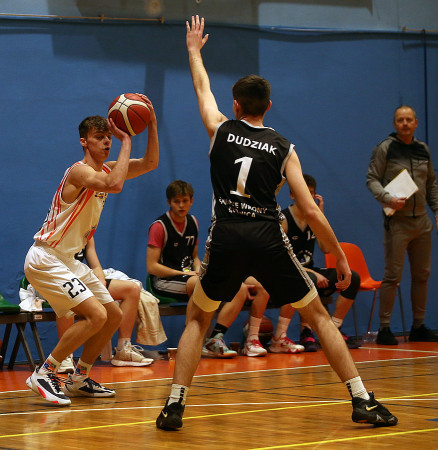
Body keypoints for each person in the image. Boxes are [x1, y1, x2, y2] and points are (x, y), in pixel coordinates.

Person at [156, 16, 397, 430]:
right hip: (267, 235)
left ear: (235, 105)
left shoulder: (219, 129)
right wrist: (338, 255)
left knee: (197, 317)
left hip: (226, 233)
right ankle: (361, 399)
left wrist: (194, 50)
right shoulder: (284, 148)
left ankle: (174, 406)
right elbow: (311, 210)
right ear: (268, 106)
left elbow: (201, 87)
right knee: (317, 315)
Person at [24, 99, 159, 406]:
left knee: (112, 315)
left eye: (109, 137)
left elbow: (150, 163)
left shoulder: (108, 169)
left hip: (69, 260)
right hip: (46, 257)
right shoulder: (79, 172)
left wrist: (151, 124)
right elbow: (114, 184)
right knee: (96, 314)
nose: (107, 142)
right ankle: (45, 373)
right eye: (100, 137)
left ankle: (79, 377)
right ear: (84, 142)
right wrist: (126, 140)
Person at [147, 180, 275, 357]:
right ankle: (191, 343)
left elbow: (194, 258)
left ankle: (215, 338)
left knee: (239, 288)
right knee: (197, 284)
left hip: (189, 276)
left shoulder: (193, 222)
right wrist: (185, 273)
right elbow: (152, 266)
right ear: (169, 202)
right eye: (176, 201)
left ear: (191, 201)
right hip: (163, 281)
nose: (181, 205)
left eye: (185, 201)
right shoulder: (159, 227)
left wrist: (200, 269)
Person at [366, 105, 438, 345]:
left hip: (422, 222)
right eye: (400, 120)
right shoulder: (385, 148)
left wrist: (437, 210)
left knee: (422, 275)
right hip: (397, 222)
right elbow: (372, 179)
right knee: (393, 276)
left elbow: (431, 183)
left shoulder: (423, 149)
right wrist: (387, 198)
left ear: (416, 123)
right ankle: (385, 328)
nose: (405, 123)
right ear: (395, 124)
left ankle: (418, 326)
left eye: (409, 120)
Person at [277, 174, 361, 352]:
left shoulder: (313, 218)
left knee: (352, 278)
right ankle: (305, 331)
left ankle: (335, 328)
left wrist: (321, 218)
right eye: (303, 192)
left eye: (311, 193)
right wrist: (312, 273)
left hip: (310, 270)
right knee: (309, 280)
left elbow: (325, 249)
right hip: (289, 272)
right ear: (292, 194)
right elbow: (282, 259)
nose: (307, 197)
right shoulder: (284, 219)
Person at [56, 236, 154, 373]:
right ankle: (65, 355)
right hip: (55, 280)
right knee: (69, 294)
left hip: (81, 280)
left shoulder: (87, 233)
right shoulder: (57, 230)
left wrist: (100, 280)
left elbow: (96, 266)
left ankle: (124, 349)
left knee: (132, 289)